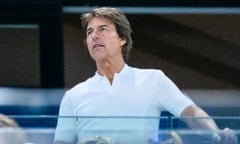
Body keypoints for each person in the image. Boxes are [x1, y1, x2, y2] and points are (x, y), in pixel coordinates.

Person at [54, 7, 238, 144]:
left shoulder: (153, 79)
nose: (94, 36)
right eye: (89, 32)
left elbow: (190, 111)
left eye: (103, 29)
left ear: (122, 39)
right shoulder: (73, 95)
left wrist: (216, 135)